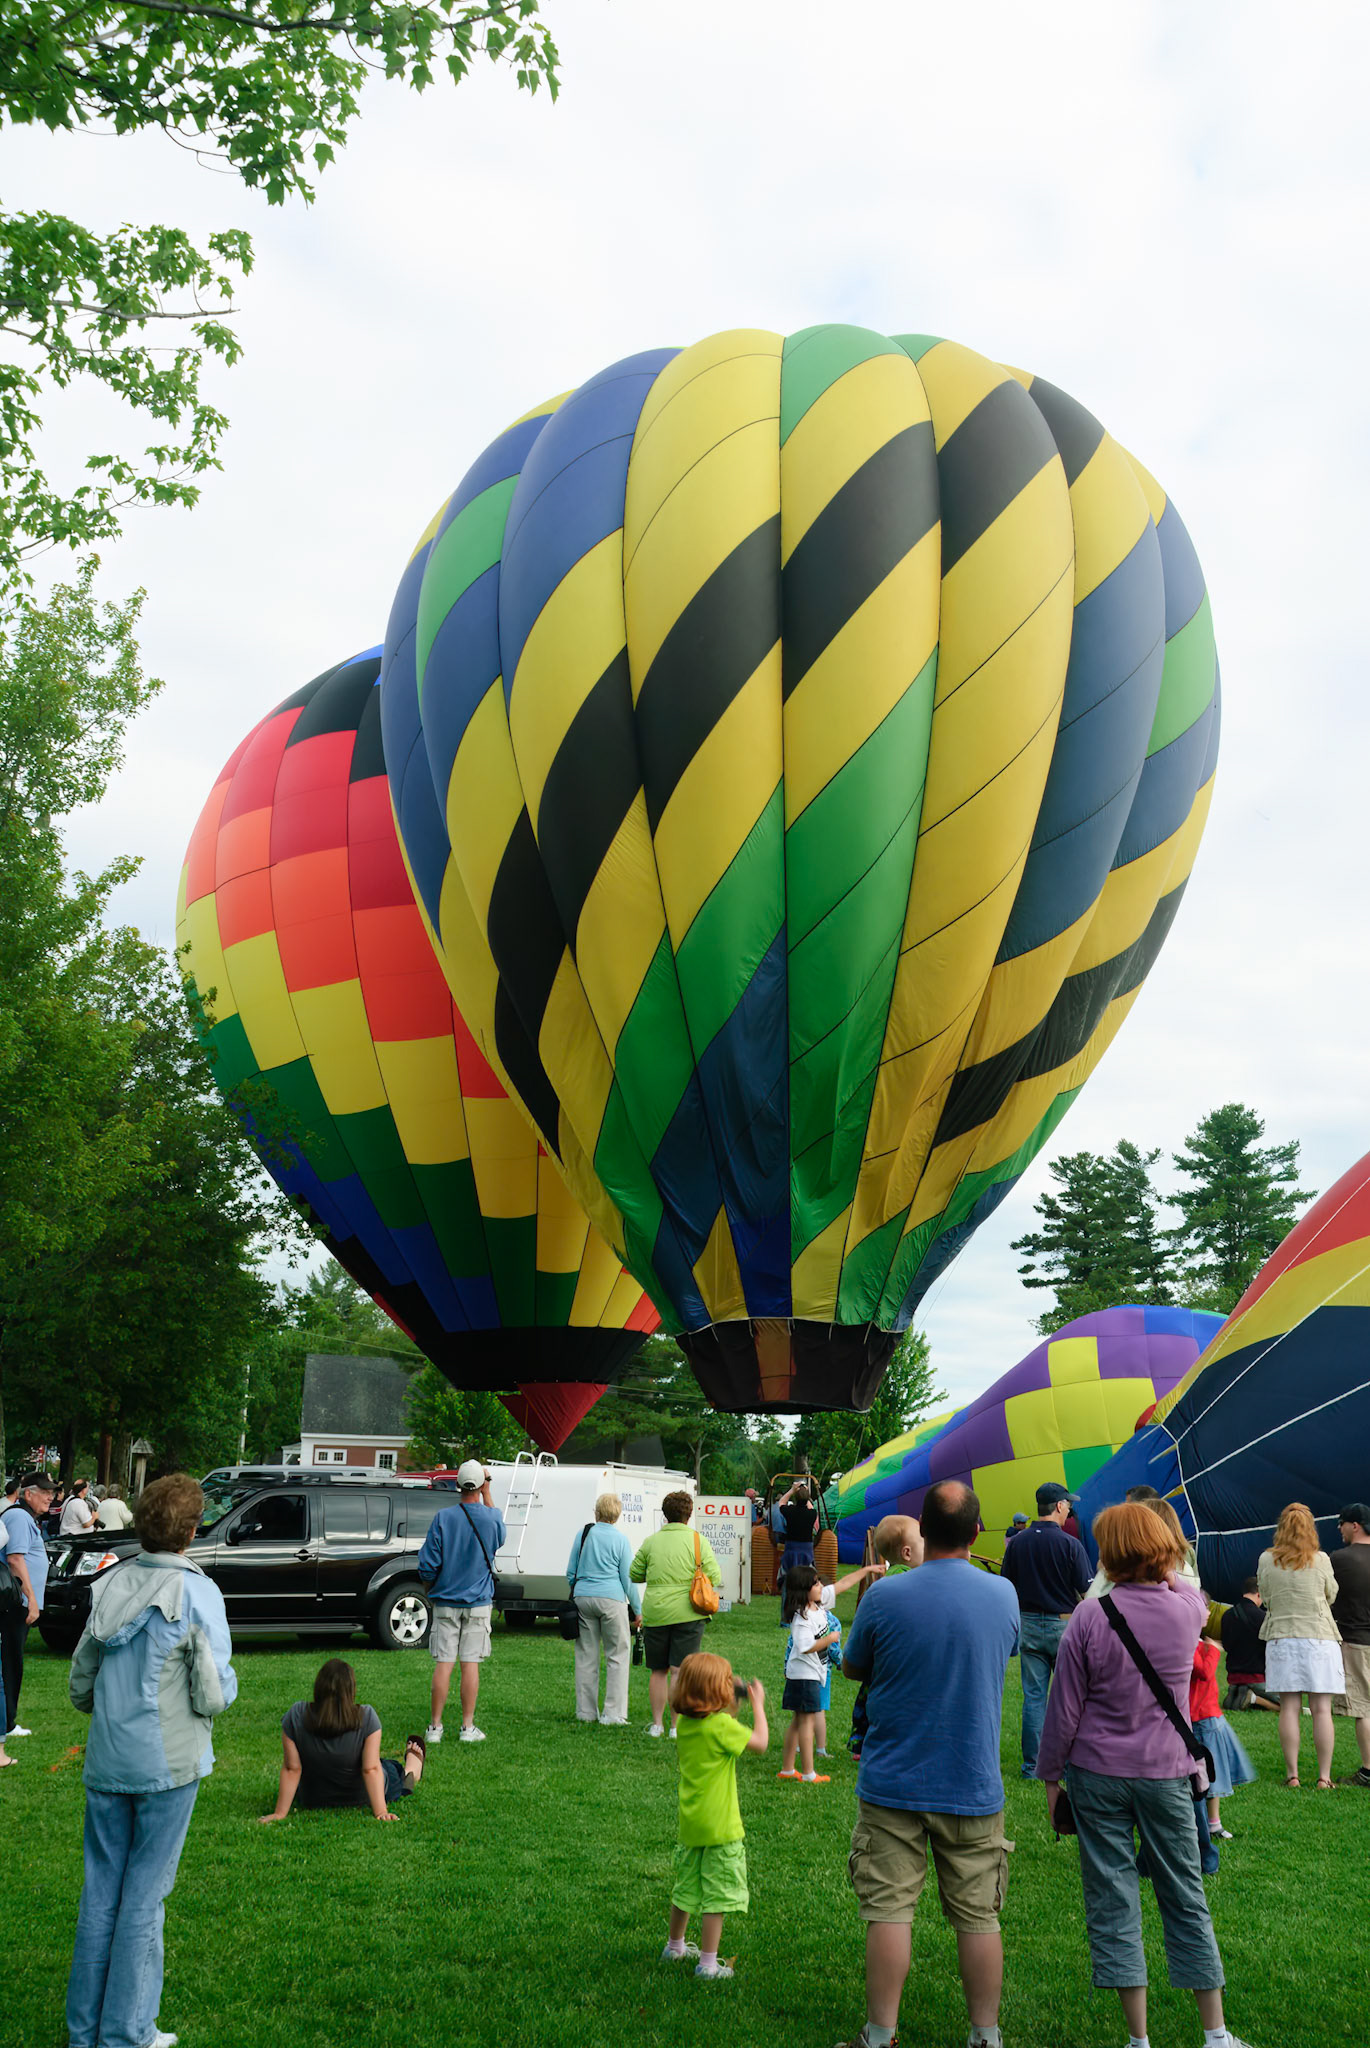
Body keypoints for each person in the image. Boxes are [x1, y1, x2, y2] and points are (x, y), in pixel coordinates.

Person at [1036, 1502, 1255, 2048]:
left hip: (1096, 1773)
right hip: (1166, 1774)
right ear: (1163, 1549)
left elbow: (1063, 1709)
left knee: (1113, 1898)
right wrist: (1166, 1548)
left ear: (1108, 1556)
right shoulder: (1187, 1610)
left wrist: (1049, 1779)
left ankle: (1139, 2039)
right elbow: (1185, 1585)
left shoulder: (1089, 1616)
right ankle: (1216, 2033)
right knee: (1184, 1895)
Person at [836, 1481, 1019, 2048]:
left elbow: (852, 1667)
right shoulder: (1003, 1595)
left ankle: (881, 2033)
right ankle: (985, 2036)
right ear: (974, 1532)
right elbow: (1005, 1650)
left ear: (922, 1528)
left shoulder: (885, 1597)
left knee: (889, 1911)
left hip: (893, 1780)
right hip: (972, 1780)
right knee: (978, 1918)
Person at [65, 1472, 237, 2048]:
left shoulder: (108, 1585)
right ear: (191, 1531)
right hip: (167, 1765)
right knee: (143, 1898)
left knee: (101, 1894)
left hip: (109, 1758)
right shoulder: (198, 1593)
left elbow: (80, 1682)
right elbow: (213, 1693)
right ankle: (127, 2033)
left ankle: (86, 2031)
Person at [661, 1652, 768, 1980]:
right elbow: (761, 1743)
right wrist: (759, 1706)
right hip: (721, 1828)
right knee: (716, 1894)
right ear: (715, 1693)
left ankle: (674, 1945)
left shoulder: (687, 1725)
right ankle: (708, 1964)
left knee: (686, 1886)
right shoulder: (721, 1726)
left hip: (692, 1824)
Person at [999, 1479, 1091, 1776]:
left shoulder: (1018, 1543)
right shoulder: (1070, 1545)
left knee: (1034, 1698)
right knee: (1066, 1700)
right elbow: (1088, 1593)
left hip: (1027, 1626)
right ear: (1059, 1506)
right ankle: (1064, 1765)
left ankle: (1032, 1766)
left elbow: (1006, 1586)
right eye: (1068, 1505)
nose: (1070, 1511)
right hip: (1062, 1627)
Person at [260, 1658, 425, 1821]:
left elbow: (292, 1769)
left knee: (376, 1763)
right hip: (362, 1795)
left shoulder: (296, 1715)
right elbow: (371, 1769)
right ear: (351, 1690)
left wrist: (280, 1813)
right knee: (392, 1769)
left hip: (314, 1798)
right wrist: (381, 1811)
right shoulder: (367, 1717)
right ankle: (413, 1767)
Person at [417, 1456, 505, 1744]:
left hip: (445, 1601)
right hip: (478, 1602)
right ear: (480, 1485)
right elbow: (500, 1536)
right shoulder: (491, 1517)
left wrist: (431, 1586)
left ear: (457, 1485)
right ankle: (467, 1727)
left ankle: (435, 1727)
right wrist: (488, 1492)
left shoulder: (443, 1518)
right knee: (470, 1664)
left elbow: (427, 1564)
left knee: (444, 1663)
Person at [1257, 1500, 1343, 1790]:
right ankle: (1324, 1777)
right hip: (1319, 1637)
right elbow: (1331, 1594)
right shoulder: (1321, 1559)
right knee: (1321, 1710)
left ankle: (1292, 1775)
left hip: (1282, 1637)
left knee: (1289, 1708)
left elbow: (1265, 1596)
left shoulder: (1266, 1559)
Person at [777, 1560, 880, 1783]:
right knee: (806, 1723)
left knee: (797, 1722)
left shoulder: (818, 1604)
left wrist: (867, 1571)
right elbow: (805, 1647)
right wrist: (829, 1639)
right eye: (815, 1584)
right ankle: (808, 1773)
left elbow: (843, 1584)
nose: (821, 1586)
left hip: (809, 1674)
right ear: (804, 1591)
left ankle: (787, 1769)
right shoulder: (803, 1617)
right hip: (805, 1676)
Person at [630, 1491, 722, 1739]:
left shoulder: (651, 1541)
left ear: (665, 1515)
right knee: (679, 1670)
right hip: (689, 1612)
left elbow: (635, 1573)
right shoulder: (698, 1541)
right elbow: (715, 1576)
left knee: (658, 1670)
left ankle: (657, 1724)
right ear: (689, 1514)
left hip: (656, 1612)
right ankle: (676, 1726)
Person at [566, 1492, 641, 1726]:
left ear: (597, 1511)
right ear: (617, 1515)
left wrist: (580, 1589)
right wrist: (637, 1609)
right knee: (617, 1655)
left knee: (586, 1655)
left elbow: (571, 1572)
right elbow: (628, 1580)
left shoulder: (584, 1534)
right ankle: (613, 1713)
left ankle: (586, 1712)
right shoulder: (620, 1539)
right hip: (612, 1599)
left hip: (583, 1598)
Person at [1, 1468, 56, 1739]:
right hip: (14, 1603)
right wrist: (31, 1600)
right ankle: (7, 1723)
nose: (50, 1497)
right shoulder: (20, 1517)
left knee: (12, 1660)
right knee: (10, 1663)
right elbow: (15, 1559)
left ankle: (7, 1720)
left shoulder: (24, 1517)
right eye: (45, 1493)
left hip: (16, 1602)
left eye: (52, 1492)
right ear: (29, 1494)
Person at [1189, 1636, 1254, 1840]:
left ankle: (1212, 1822)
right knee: (1210, 1773)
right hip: (1202, 1718)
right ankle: (1211, 1824)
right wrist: (1214, 1650)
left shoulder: (1190, 1640)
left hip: (1208, 1715)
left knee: (1211, 1771)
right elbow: (1204, 1672)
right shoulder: (1186, 1641)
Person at [1331, 1502, 1370, 1788]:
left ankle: (1368, 1771)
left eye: (1342, 1523)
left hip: (1357, 1641)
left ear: (1354, 1525)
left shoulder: (1340, 1559)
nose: (1339, 1528)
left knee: (1365, 1709)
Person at [1219, 1580, 1278, 1711]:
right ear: (1259, 1594)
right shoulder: (1263, 1617)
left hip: (1233, 1676)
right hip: (1256, 1677)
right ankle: (1254, 1698)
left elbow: (1226, 1646)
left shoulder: (1227, 1615)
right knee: (1290, 1705)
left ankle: (1237, 1695)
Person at [775, 1481, 820, 1578]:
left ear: (795, 1498)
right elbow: (810, 1507)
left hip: (792, 1547)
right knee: (806, 1574)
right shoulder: (812, 1514)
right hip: (806, 1549)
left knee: (788, 1574)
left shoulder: (790, 1511)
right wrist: (805, 1494)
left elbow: (781, 1502)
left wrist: (792, 1490)